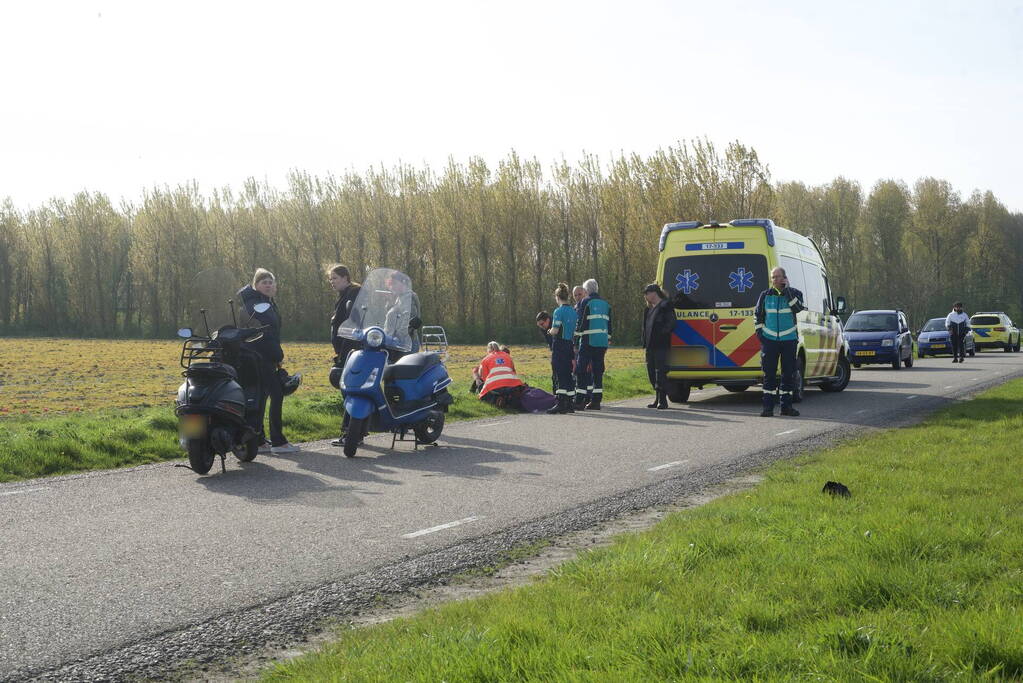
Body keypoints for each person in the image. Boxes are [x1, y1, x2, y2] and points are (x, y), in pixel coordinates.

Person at [238, 268, 298, 454]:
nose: (268, 284)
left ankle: (260, 441)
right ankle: (278, 442)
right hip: (260, 357)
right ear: (255, 285)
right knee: (276, 394)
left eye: (271, 281)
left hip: (257, 357)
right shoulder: (256, 305)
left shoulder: (263, 302)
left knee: (261, 397)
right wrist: (277, 355)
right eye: (264, 282)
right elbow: (264, 335)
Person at [754, 266, 805, 418]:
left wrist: (787, 290)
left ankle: (786, 407)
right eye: (773, 277)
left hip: (789, 340)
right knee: (769, 375)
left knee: (788, 375)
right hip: (769, 341)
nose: (775, 280)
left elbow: (797, 308)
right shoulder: (765, 295)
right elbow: (758, 316)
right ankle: (768, 408)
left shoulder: (795, 293)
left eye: (778, 277)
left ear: (784, 278)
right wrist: (761, 336)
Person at [327, 264, 361, 448]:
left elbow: (353, 325)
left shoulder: (354, 293)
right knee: (349, 390)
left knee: (350, 391)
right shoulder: (345, 295)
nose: (332, 282)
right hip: (345, 350)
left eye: (335, 278)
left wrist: (345, 352)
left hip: (352, 351)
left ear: (345, 277)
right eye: (330, 279)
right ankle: (355, 432)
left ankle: (351, 433)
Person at [574, 278, 611, 410]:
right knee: (597, 371)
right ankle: (596, 401)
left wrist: (575, 339)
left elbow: (581, 321)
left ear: (586, 290)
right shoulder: (606, 304)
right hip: (602, 342)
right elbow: (609, 324)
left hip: (588, 340)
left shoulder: (586, 302)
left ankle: (579, 400)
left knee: (581, 369)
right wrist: (608, 339)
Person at [546, 283, 578, 414]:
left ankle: (560, 402)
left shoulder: (558, 311)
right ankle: (570, 403)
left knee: (559, 373)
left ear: (557, 297)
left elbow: (555, 329)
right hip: (569, 344)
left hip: (559, 344)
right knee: (568, 373)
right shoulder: (573, 311)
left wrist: (549, 331)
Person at [642, 283, 675, 409]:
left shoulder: (666, 306)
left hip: (661, 345)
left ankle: (663, 400)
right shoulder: (649, 309)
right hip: (650, 347)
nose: (645, 296)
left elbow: (672, 323)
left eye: (646, 293)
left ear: (653, 293)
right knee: (651, 373)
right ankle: (656, 398)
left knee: (660, 373)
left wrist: (662, 334)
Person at [474, 341, 525, 407]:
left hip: (495, 385)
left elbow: (484, 378)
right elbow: (513, 371)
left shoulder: (485, 359)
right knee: (508, 391)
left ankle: (496, 399)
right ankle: (510, 397)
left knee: (483, 394)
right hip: (512, 383)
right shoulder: (508, 356)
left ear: (488, 349)